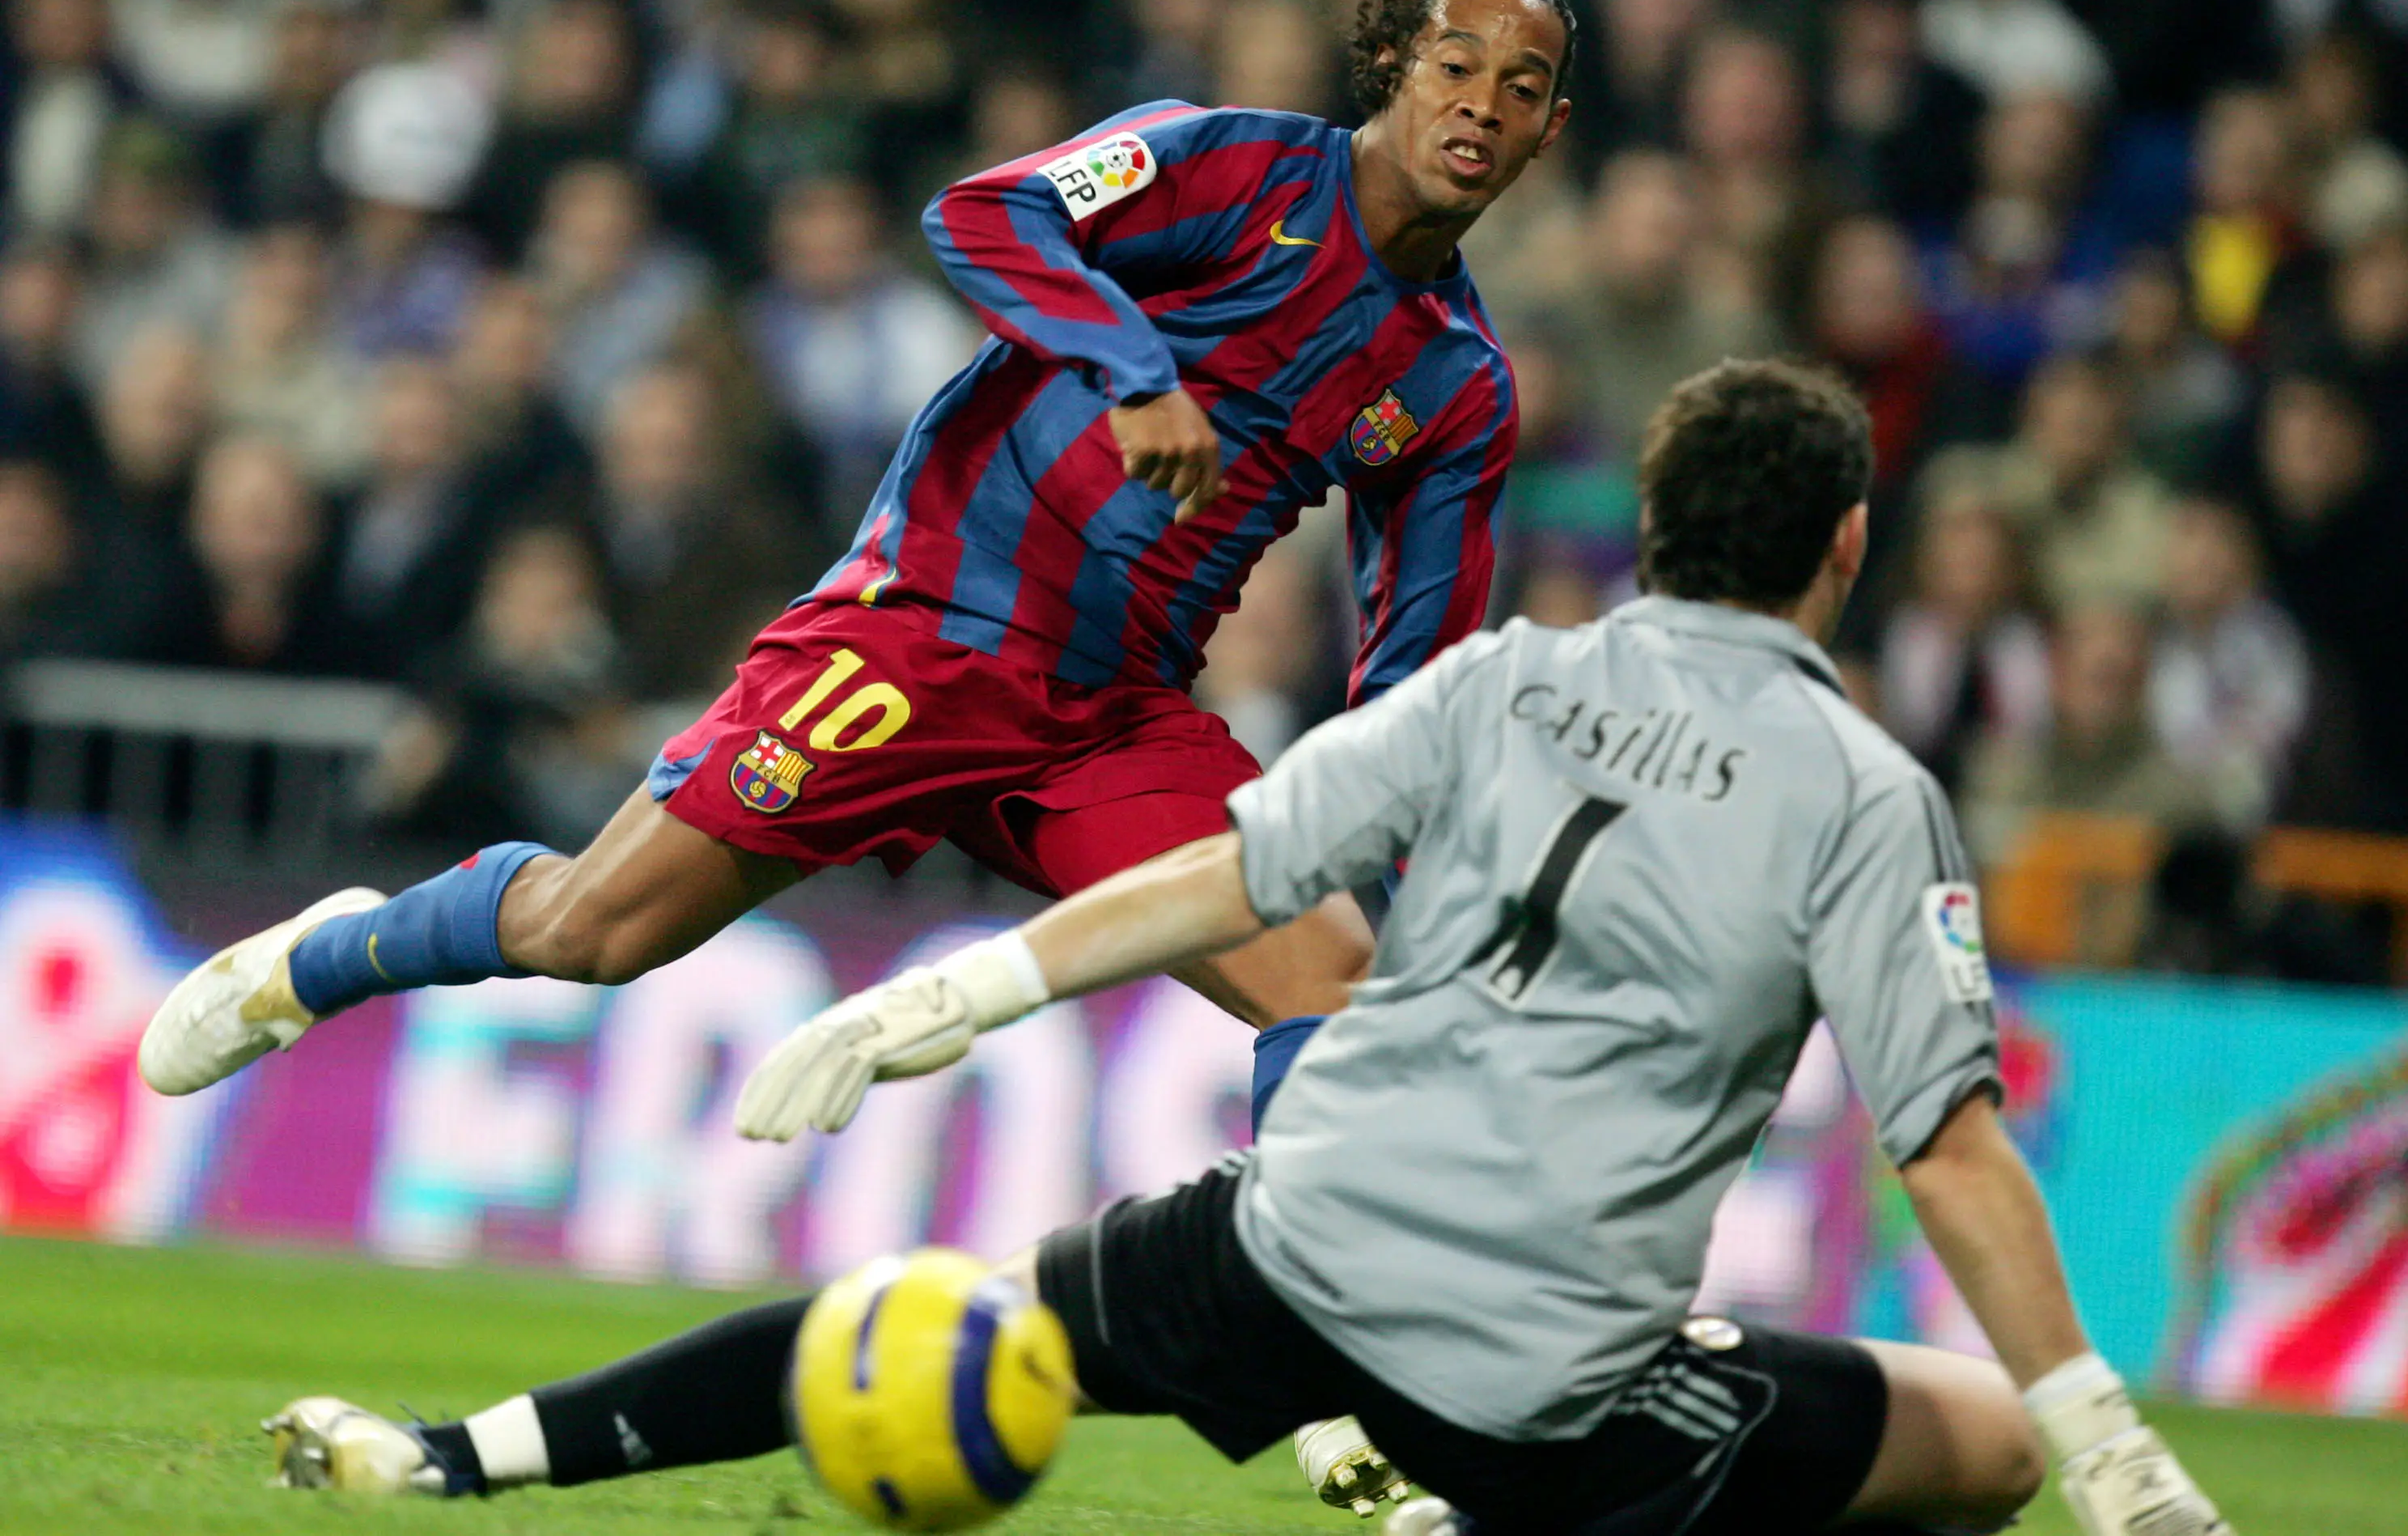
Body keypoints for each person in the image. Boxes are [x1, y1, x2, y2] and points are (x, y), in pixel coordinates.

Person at [140, 0, 1571, 1497]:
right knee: (594, 931)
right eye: (1458, 66)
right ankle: (325, 956)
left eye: (1525, 86)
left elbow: (1408, 665)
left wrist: (1425, 851)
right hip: (918, 634)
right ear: (1396, 61)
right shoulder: (1235, 167)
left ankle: (1314, 1357)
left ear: (1555, 125)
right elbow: (983, 220)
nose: (1482, 107)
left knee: (1339, 981)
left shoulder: (1455, 381)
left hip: (1110, 723)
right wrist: (1137, 370)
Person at [258, 362, 2233, 1536]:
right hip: (1548, 1369)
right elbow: (1950, 1144)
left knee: (936, 1308)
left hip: (1293, 1246)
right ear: (1849, 547)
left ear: (1643, 526)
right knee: (1966, 1456)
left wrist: (951, 987)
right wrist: (2097, 1426)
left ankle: (451, 1459)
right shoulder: (1871, 796)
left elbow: (1234, 872)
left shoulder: (1500, 683)